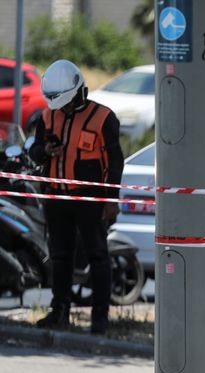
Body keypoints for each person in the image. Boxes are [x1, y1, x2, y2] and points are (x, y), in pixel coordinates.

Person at [30, 59, 124, 334]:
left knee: (97, 256)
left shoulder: (103, 117)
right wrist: (46, 150)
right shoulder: (48, 115)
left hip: (89, 199)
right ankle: (59, 312)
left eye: (67, 102)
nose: (64, 109)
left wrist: (110, 200)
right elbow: (34, 150)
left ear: (79, 92)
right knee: (60, 257)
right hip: (56, 197)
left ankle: (100, 317)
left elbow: (114, 162)